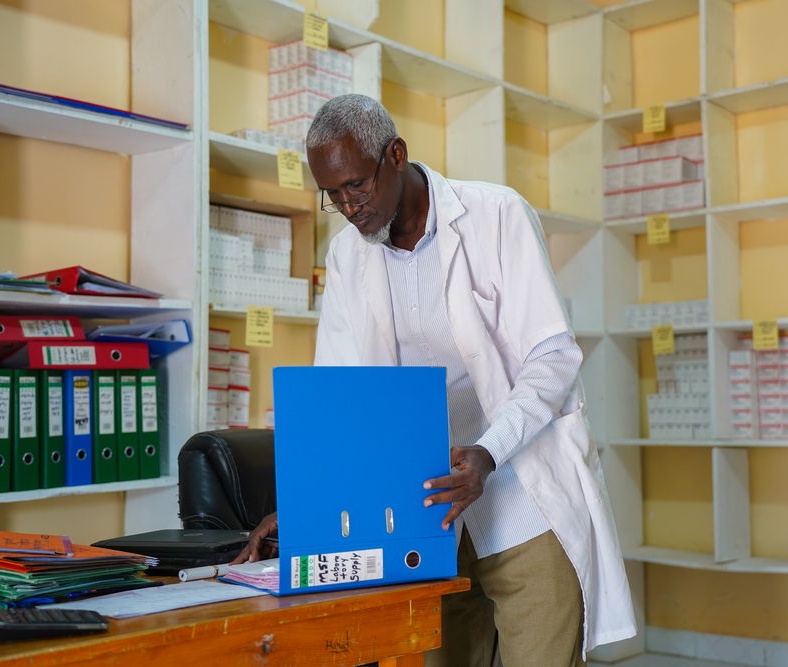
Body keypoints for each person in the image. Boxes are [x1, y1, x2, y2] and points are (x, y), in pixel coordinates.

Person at [233, 94, 635, 666]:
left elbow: (552, 357)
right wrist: (310, 501)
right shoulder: (349, 253)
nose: (348, 206)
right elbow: (342, 393)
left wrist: (489, 454)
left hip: (520, 491)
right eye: (333, 195)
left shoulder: (497, 215)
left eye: (357, 186)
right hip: (422, 508)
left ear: (395, 155)